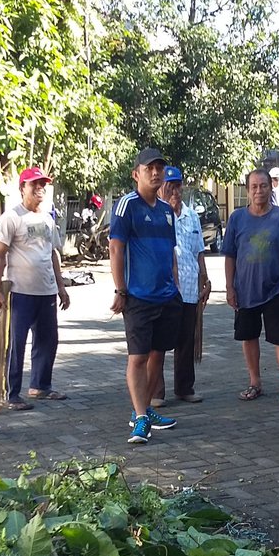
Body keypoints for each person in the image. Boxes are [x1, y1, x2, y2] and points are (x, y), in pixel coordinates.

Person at [109, 147, 182, 444]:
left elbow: (171, 253)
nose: (156, 172)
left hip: (167, 296)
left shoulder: (166, 211)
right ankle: (139, 417)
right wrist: (120, 289)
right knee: (137, 357)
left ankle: (147, 409)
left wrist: (175, 286)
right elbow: (116, 248)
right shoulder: (127, 205)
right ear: (136, 173)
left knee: (158, 355)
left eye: (160, 168)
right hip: (138, 296)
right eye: (149, 168)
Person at [0, 166, 71, 411]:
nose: (39, 189)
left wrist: (61, 287)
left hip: (46, 291)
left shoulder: (47, 218)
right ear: (22, 188)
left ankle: (40, 386)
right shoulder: (11, 218)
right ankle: (12, 393)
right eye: (34, 184)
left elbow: (53, 254)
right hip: (20, 292)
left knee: (48, 341)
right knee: (16, 344)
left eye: (42, 184)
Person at [224, 168, 279, 406]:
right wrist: (229, 287)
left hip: (274, 290)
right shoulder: (237, 218)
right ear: (247, 190)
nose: (259, 191)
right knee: (249, 336)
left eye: (263, 186)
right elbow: (229, 255)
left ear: (271, 188)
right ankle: (254, 382)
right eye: (254, 186)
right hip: (245, 290)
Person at [152, 165, 210, 405]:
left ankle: (185, 387)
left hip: (188, 287)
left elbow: (199, 250)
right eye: (170, 186)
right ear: (161, 188)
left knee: (186, 340)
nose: (175, 192)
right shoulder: (156, 213)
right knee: (160, 342)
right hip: (164, 288)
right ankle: (156, 391)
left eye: (178, 186)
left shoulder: (191, 215)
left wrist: (205, 279)